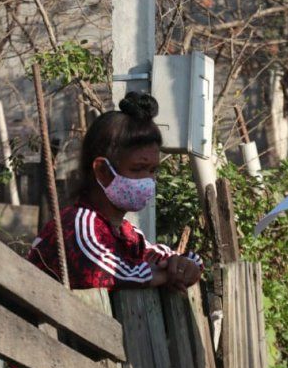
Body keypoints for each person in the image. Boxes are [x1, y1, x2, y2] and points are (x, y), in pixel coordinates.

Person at [28, 91, 202, 293]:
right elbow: (106, 271)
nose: (148, 180)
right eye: (137, 169)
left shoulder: (129, 236)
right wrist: (162, 274)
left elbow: (171, 258)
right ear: (102, 171)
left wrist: (186, 267)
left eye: (153, 170)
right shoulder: (77, 226)